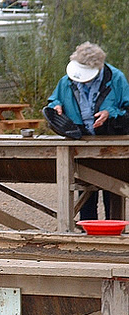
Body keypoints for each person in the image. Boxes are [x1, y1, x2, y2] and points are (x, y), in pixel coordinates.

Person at [47, 41, 129, 220]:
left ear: (97, 67)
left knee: (113, 190)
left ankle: (113, 232)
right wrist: (56, 106)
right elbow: (53, 100)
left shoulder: (116, 78)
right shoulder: (67, 80)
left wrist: (110, 113)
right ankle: (86, 232)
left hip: (111, 146)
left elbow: (127, 109)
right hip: (80, 144)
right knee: (84, 190)